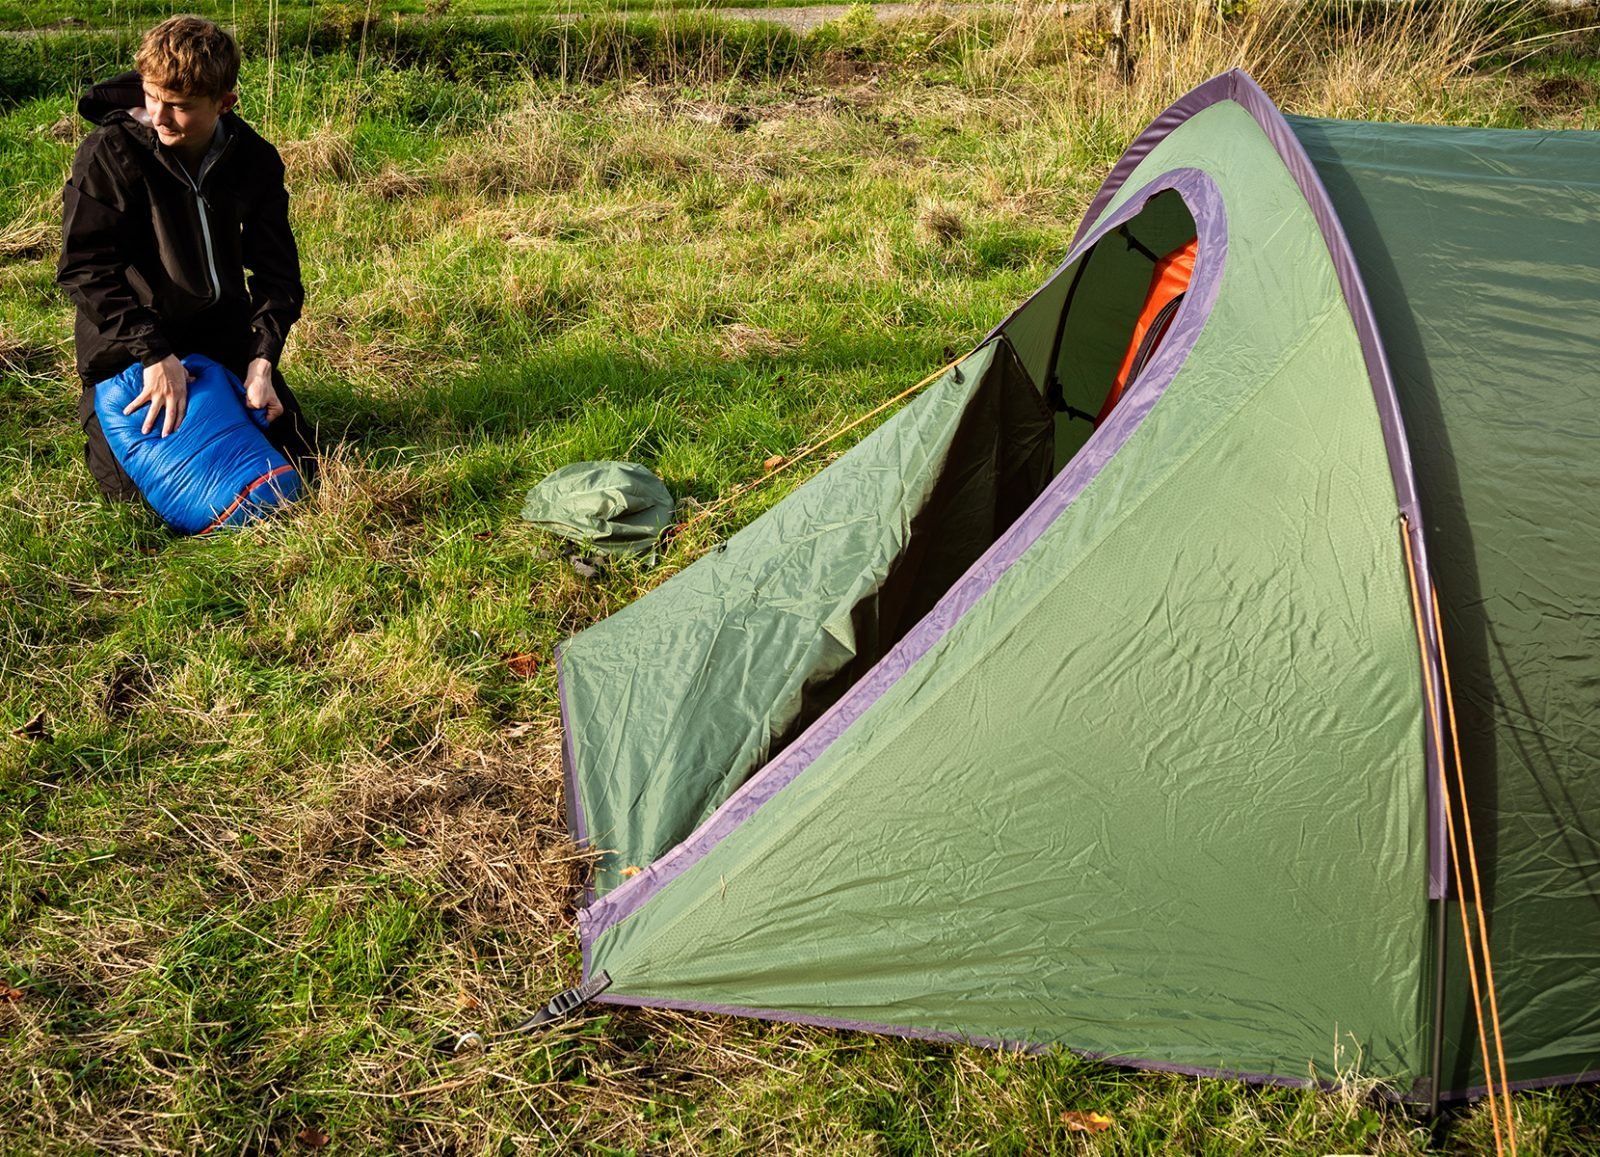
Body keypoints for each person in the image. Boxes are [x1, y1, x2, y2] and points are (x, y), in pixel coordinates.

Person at [58, 14, 316, 503]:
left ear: (225, 103)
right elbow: (83, 267)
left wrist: (262, 361)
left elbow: (278, 273)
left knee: (299, 466)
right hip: (126, 349)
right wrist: (153, 353)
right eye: (152, 97)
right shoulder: (109, 153)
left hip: (220, 335)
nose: (159, 116)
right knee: (138, 499)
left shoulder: (254, 159)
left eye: (179, 106)